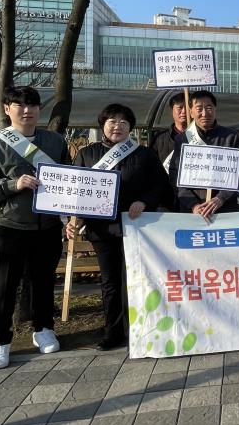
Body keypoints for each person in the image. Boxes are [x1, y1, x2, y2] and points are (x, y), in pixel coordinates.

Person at [0, 86, 71, 370]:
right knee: (4, 285)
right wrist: (13, 184)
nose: (27, 111)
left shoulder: (54, 141)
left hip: (47, 225)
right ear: (7, 108)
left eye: (33, 105)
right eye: (20, 105)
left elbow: (70, 178)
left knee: (44, 280)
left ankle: (43, 328)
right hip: (9, 224)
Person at [68, 104, 168, 350]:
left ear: (130, 127)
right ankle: (113, 331)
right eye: (112, 120)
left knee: (138, 278)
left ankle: (142, 327)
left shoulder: (144, 154)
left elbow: (160, 185)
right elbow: (76, 191)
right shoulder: (87, 154)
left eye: (124, 122)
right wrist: (73, 218)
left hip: (137, 226)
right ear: (102, 124)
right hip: (102, 229)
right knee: (110, 280)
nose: (117, 126)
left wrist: (144, 201)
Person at [169, 90, 239, 217]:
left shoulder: (231, 137)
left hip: (224, 208)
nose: (204, 113)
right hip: (192, 210)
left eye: (209, 108)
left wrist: (220, 198)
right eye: (199, 108)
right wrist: (192, 204)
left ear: (215, 109)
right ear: (191, 111)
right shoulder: (182, 139)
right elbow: (175, 174)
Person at [149, 92, 187, 210]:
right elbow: (151, 168)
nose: (184, 111)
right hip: (165, 198)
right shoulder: (160, 138)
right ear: (172, 110)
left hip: (194, 198)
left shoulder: (204, 138)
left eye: (188, 107)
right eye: (180, 108)